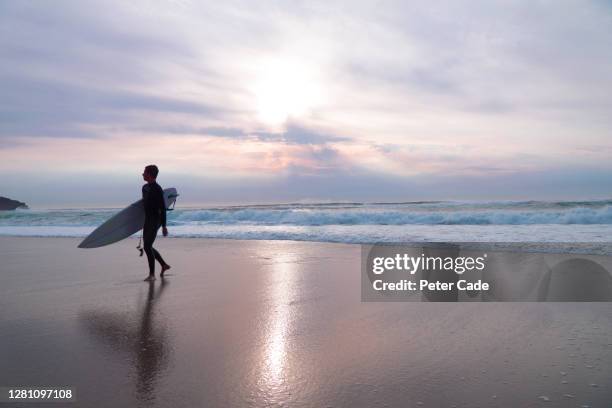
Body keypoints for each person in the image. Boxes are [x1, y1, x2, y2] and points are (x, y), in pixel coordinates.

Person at [141, 165, 170, 281]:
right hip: (147, 219)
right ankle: (164, 265)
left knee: (147, 246)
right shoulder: (144, 188)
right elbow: (144, 205)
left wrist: (164, 226)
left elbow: (163, 208)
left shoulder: (157, 189)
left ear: (150, 174)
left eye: (144, 172)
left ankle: (152, 275)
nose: (142, 174)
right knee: (148, 246)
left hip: (155, 220)